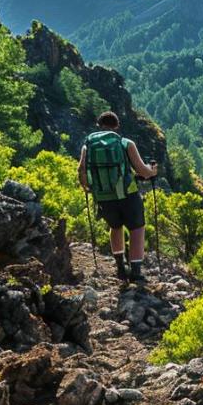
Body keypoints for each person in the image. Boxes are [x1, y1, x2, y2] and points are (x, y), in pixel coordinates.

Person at [78, 111, 158, 283]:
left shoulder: (88, 146)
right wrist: (152, 171)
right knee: (137, 229)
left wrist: (89, 188)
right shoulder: (125, 143)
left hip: (104, 197)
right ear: (117, 126)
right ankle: (136, 271)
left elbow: (81, 169)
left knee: (115, 227)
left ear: (99, 125)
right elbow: (142, 171)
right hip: (128, 195)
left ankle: (120, 268)